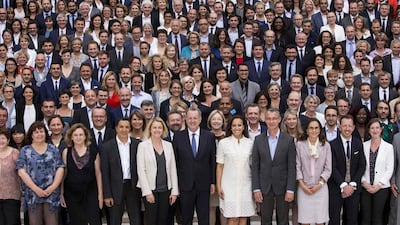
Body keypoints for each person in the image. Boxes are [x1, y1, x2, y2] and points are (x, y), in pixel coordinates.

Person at [172, 107, 217, 225]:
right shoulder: (178, 137)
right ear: (185, 119)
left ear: (200, 119)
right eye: (190, 118)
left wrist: (213, 182)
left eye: (195, 118)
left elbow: (212, 160)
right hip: (185, 184)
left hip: (204, 184)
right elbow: (175, 163)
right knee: (186, 218)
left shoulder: (209, 136)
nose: (192, 121)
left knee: (204, 218)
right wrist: (175, 184)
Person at [252, 107, 296, 225]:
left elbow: (292, 167)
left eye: (274, 119)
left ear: (279, 120)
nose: (271, 121)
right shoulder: (258, 140)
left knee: (283, 220)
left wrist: (290, 189)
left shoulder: (288, 140)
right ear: (265, 120)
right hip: (264, 186)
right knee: (265, 219)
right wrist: (256, 188)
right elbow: (255, 166)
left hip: (283, 186)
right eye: (269, 119)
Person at [16, 121, 65, 225]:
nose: (39, 134)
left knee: (52, 222)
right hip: (32, 193)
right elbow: (21, 171)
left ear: (45, 133)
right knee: (34, 222)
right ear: (31, 135)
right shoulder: (25, 150)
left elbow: (60, 168)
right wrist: (36, 189)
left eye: (41, 131)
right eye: (36, 132)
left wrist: (52, 187)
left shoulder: (53, 149)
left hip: (51, 193)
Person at [137, 117, 179, 225]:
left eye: (159, 127)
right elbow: (141, 170)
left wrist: (174, 192)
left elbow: (173, 170)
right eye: (154, 127)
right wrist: (147, 192)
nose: (157, 130)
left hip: (166, 189)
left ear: (163, 129)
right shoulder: (143, 146)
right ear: (150, 129)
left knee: (163, 220)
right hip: (151, 190)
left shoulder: (168, 145)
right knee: (151, 220)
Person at [101, 118, 142, 225]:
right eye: (121, 127)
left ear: (130, 129)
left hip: (133, 187)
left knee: (136, 219)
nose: (124, 129)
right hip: (115, 188)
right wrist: (107, 194)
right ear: (116, 128)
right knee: (115, 220)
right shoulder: (107, 147)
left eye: (127, 127)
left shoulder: (137, 144)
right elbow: (105, 173)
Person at [216, 115, 256, 225]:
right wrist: (219, 186)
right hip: (228, 185)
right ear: (230, 127)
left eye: (239, 125)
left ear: (244, 127)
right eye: (234, 125)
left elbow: (253, 166)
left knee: (243, 217)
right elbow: (220, 166)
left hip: (246, 184)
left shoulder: (250, 143)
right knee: (232, 217)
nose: (236, 128)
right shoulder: (223, 143)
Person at [328, 115, 366, 225]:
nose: (347, 129)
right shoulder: (332, 144)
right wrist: (343, 185)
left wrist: (352, 184)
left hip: (353, 188)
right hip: (336, 187)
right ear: (339, 127)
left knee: (352, 220)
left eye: (350, 126)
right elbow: (332, 167)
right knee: (334, 219)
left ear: (354, 127)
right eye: (344, 126)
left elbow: (361, 165)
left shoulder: (358, 143)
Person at [61, 123, 103, 225]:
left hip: (91, 192)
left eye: (81, 135)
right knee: (77, 221)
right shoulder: (66, 152)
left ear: (85, 136)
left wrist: (100, 195)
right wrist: (61, 194)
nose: (78, 137)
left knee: (94, 220)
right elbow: (63, 174)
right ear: (71, 137)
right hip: (72, 194)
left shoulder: (93, 151)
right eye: (75, 135)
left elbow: (98, 173)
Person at [296, 118, 332, 225]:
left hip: (320, 188)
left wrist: (319, 184)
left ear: (320, 130)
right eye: (311, 128)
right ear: (306, 130)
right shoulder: (300, 144)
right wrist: (302, 185)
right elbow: (297, 166)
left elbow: (328, 168)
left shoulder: (325, 145)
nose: (314, 130)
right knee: (305, 220)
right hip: (304, 187)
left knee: (320, 221)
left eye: (316, 128)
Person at [360, 118, 394, 225]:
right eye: (372, 128)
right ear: (368, 130)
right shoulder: (363, 145)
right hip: (365, 186)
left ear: (381, 129)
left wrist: (378, 185)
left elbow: (389, 169)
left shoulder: (388, 147)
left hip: (381, 187)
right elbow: (358, 167)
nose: (375, 130)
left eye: (377, 128)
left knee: (377, 218)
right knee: (365, 217)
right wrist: (364, 182)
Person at [0, 128, 21, 225]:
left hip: (12, 196)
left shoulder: (15, 153)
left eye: (3, 138)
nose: (1, 141)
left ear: (8, 140)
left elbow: (21, 173)